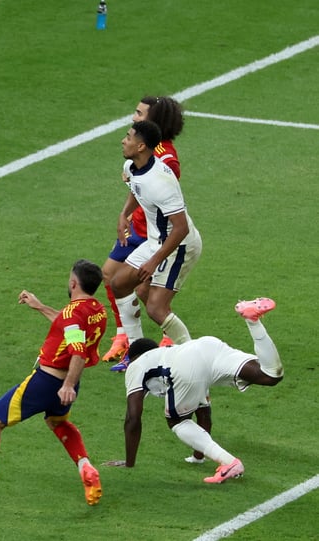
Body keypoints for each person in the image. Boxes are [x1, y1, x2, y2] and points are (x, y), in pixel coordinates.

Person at [0, 260, 108, 507]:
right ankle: (85, 465)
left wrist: (67, 385)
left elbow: (78, 349)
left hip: (49, 382)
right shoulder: (96, 309)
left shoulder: (73, 313)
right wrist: (39, 306)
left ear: (73, 283)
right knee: (57, 422)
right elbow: (67, 326)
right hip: (67, 384)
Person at [105, 297, 281, 483]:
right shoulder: (168, 352)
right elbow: (204, 414)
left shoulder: (137, 365)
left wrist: (129, 462)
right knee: (270, 375)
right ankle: (253, 320)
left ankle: (230, 462)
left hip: (187, 364)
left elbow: (133, 417)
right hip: (207, 346)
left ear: (134, 357)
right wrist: (198, 456)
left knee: (177, 421)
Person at [101, 96, 185, 365]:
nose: (134, 118)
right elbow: (136, 185)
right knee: (115, 279)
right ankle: (130, 344)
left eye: (139, 114)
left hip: (164, 237)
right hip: (143, 231)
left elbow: (178, 224)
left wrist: (155, 257)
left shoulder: (165, 164)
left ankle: (183, 350)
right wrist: (123, 214)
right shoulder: (135, 160)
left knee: (151, 301)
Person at [109, 120, 201, 356]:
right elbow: (135, 189)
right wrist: (124, 214)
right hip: (156, 241)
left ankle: (191, 357)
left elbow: (181, 229)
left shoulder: (162, 182)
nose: (123, 140)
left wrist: (152, 262)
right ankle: (137, 353)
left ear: (141, 146)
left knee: (156, 308)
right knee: (119, 284)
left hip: (179, 246)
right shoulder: (132, 166)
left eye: (128, 137)